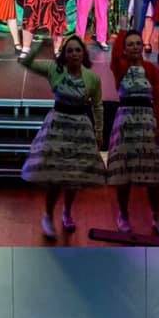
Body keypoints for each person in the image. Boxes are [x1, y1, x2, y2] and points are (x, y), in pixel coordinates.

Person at [20, 35, 105, 239]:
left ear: (83, 53)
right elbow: (26, 62)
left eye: (78, 50)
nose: (74, 54)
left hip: (79, 128)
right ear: (64, 54)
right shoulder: (54, 69)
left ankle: (67, 212)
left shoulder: (92, 78)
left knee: (73, 175)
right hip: (58, 125)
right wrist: (39, 46)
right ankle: (48, 215)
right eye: (70, 50)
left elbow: (97, 106)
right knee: (56, 176)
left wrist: (99, 131)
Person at [107, 29, 159, 236]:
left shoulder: (151, 69)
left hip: (146, 121)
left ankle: (157, 216)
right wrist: (124, 31)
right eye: (130, 44)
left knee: (153, 173)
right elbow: (115, 53)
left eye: (138, 43)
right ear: (124, 49)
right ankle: (123, 215)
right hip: (126, 121)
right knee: (124, 172)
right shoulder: (120, 67)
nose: (135, 47)